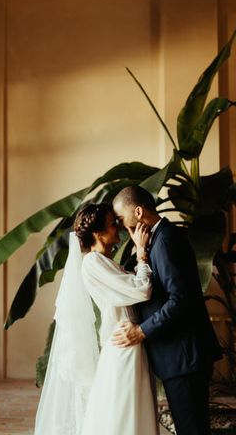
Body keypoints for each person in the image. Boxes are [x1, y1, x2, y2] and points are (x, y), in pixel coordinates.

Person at [34, 202, 158, 435]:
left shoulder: (106, 262)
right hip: (123, 343)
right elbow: (141, 289)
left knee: (128, 409)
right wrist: (141, 256)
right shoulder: (93, 262)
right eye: (113, 224)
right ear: (98, 233)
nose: (118, 229)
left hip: (129, 339)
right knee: (122, 411)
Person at [112, 185, 223, 435]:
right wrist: (140, 251)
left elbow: (180, 299)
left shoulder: (166, 240)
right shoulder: (158, 238)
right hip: (179, 356)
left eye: (121, 218)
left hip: (184, 357)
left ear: (138, 212)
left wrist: (141, 331)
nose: (119, 224)